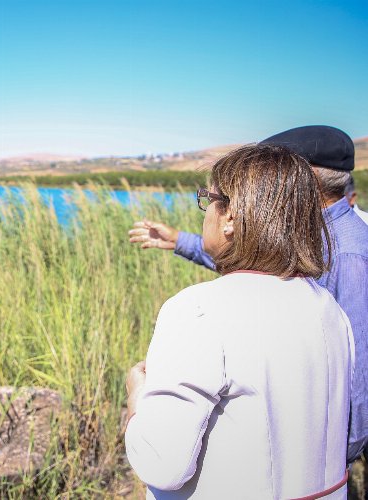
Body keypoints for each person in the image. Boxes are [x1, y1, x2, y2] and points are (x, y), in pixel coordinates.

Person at [124, 144, 354, 499]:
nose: (205, 212)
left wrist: (136, 397)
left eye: (208, 199)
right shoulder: (327, 307)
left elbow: (161, 463)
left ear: (231, 216)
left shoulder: (198, 310)